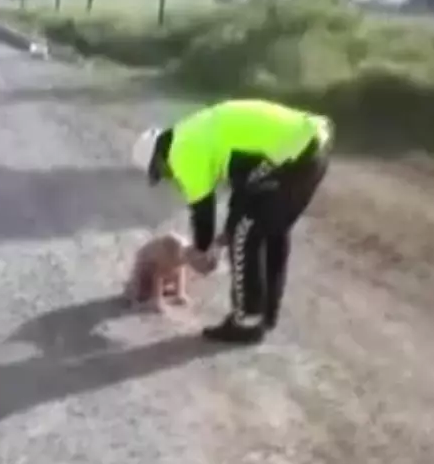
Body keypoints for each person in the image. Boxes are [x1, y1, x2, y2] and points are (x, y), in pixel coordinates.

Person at [130, 99, 332, 344]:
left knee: (244, 233)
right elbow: (244, 193)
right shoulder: (195, 131)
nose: (168, 176)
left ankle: (246, 323)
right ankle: (265, 315)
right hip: (313, 147)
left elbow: (203, 211)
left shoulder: (182, 150)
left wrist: (202, 251)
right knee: (273, 231)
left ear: (159, 158)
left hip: (292, 154)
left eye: (160, 172)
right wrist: (220, 239)